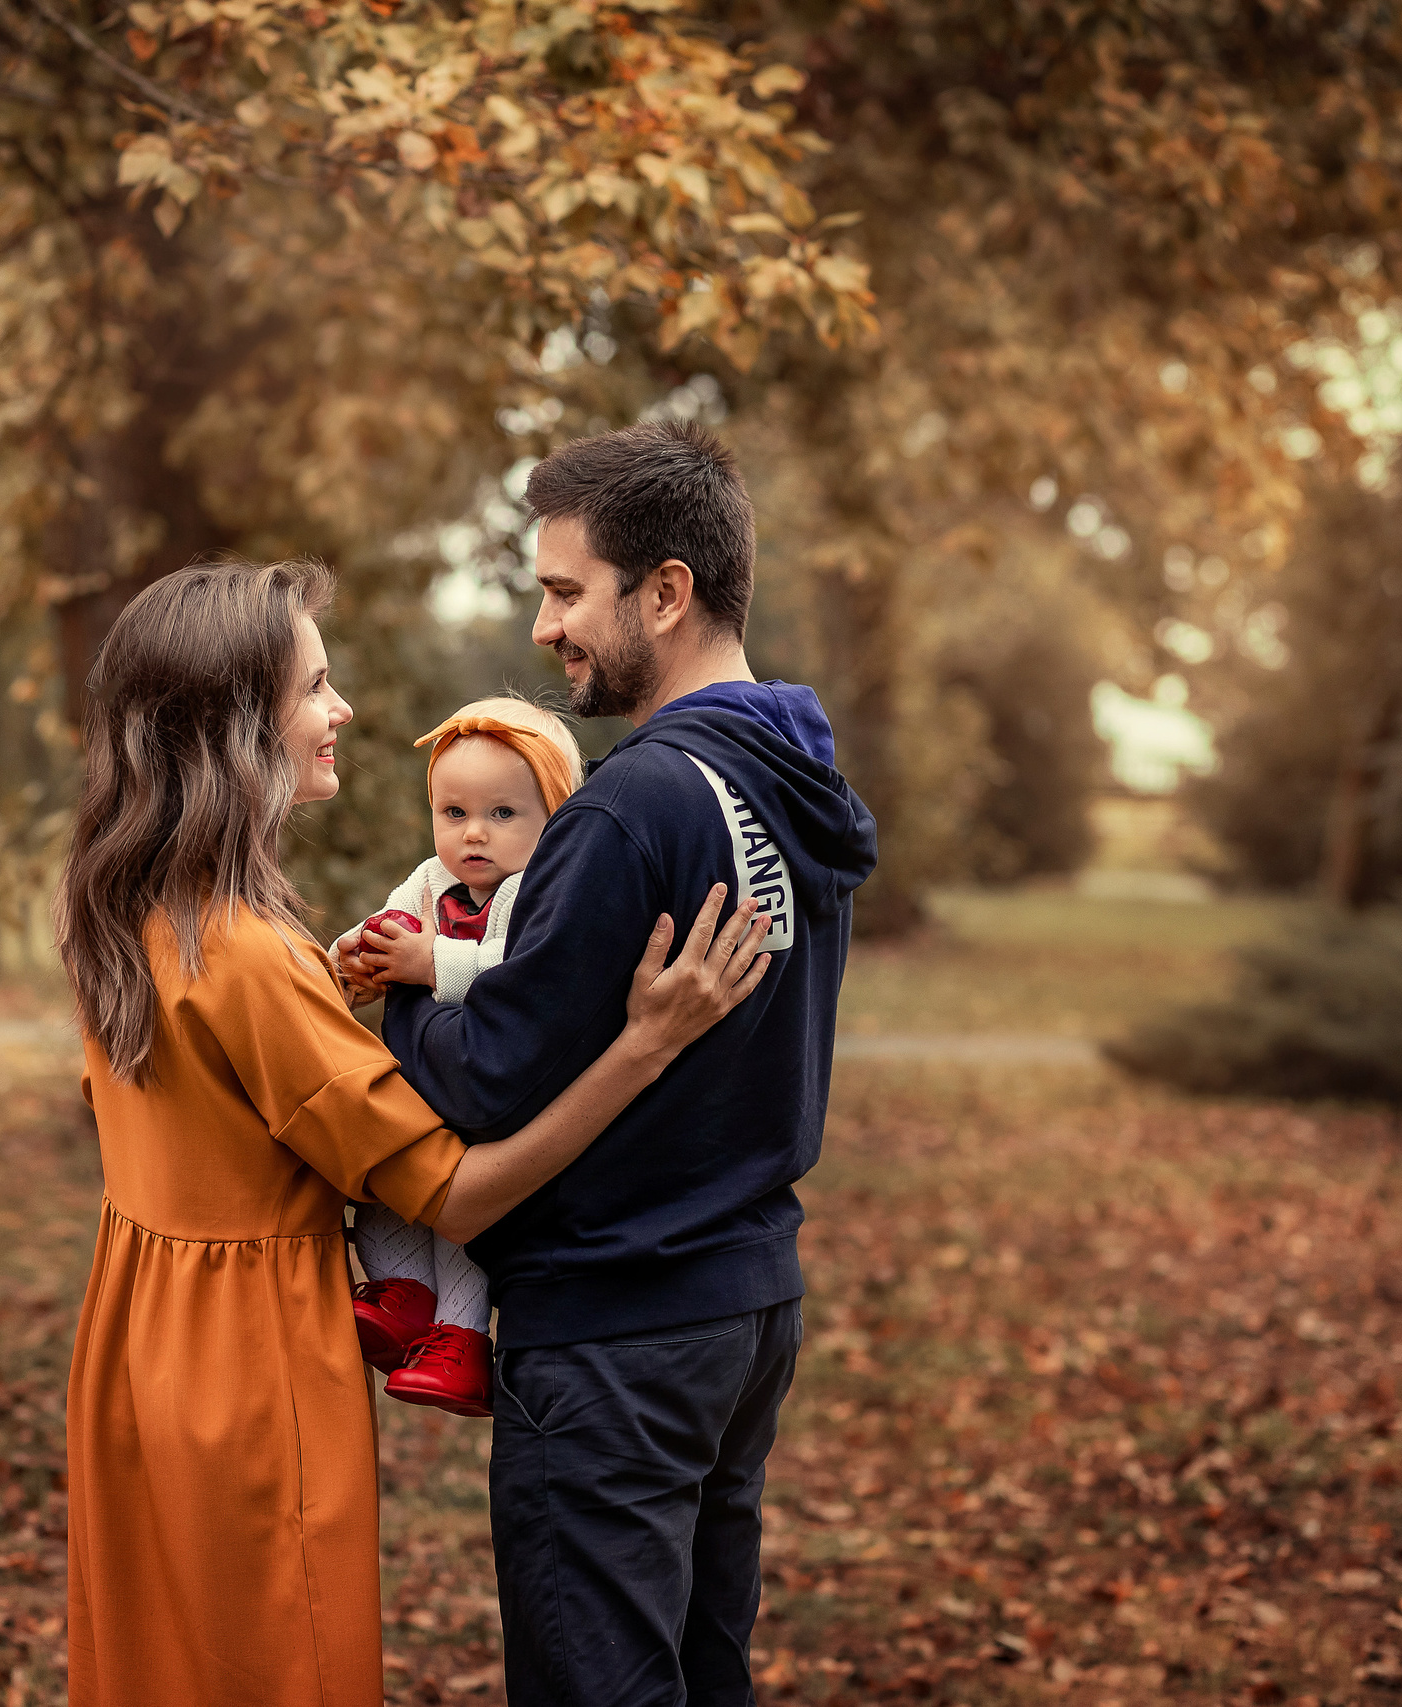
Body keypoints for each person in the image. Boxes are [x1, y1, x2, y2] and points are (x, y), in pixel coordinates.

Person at [56, 556, 772, 1707]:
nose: (341, 713)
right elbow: (459, 1195)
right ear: (240, 725)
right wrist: (644, 1045)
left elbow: (207, 1109)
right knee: (282, 1663)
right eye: (314, 688)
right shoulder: (246, 950)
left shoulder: (124, 905)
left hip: (140, 1340)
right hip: (248, 1364)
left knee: (164, 1662)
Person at [382, 422, 881, 1707]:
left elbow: (488, 1074)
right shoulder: (788, 778)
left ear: (666, 592)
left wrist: (386, 1000)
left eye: (565, 593)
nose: (545, 629)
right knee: (702, 1676)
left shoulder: (627, 808)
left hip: (615, 1327)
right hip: (742, 1311)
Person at [328, 695, 585, 1418]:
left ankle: (463, 1338)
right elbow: (385, 929)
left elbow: (528, 969)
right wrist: (357, 955)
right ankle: (402, 1294)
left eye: (504, 814)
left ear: (556, 819)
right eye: (453, 813)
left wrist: (430, 962)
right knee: (382, 1194)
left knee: (457, 1221)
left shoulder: (543, 890)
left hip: (491, 1110)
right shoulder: (429, 880)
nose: (474, 834)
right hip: (419, 1095)